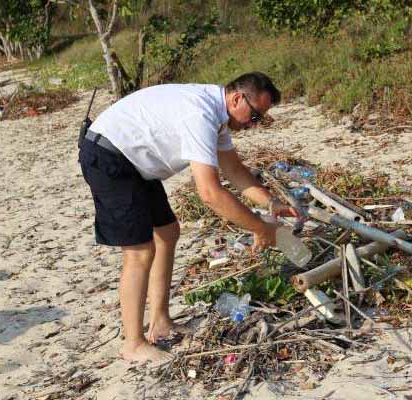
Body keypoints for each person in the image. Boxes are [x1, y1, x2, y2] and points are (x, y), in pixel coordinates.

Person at [79, 72, 300, 362]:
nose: (253, 124)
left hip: (136, 162)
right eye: (255, 115)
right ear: (237, 99)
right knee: (140, 251)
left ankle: (159, 321)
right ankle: (132, 343)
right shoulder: (201, 115)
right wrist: (260, 229)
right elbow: (210, 193)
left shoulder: (217, 116)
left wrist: (270, 203)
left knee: (168, 232)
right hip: (110, 156)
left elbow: (234, 170)